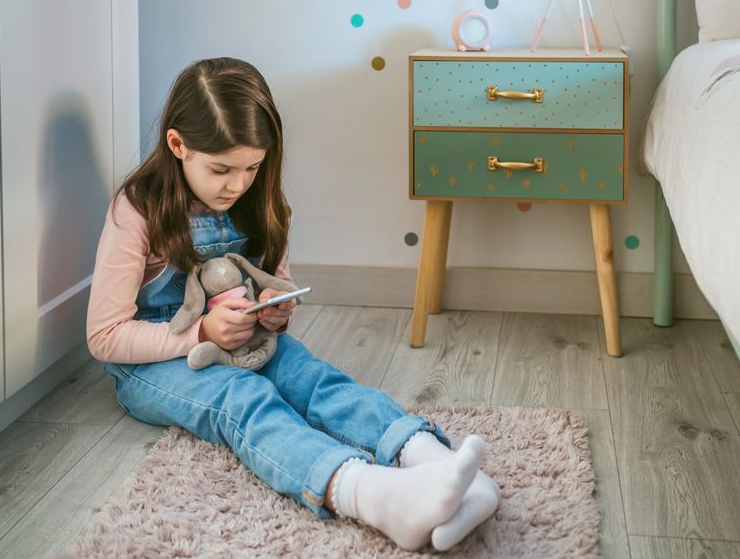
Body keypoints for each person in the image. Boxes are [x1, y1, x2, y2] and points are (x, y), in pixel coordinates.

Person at [86, 58, 500, 551]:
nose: (237, 184)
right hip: (155, 360)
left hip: (244, 338)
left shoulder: (261, 202)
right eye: (221, 169)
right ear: (178, 145)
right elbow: (104, 337)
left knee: (312, 378)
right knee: (243, 398)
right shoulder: (136, 210)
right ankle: (369, 494)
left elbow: (276, 284)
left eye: (252, 167)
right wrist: (199, 333)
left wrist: (275, 309)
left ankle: (433, 460)